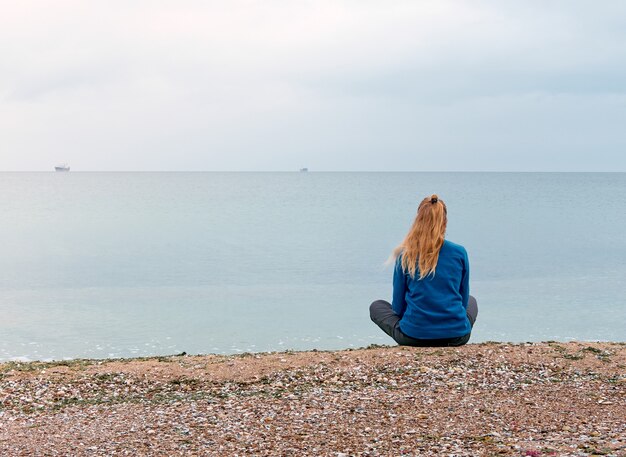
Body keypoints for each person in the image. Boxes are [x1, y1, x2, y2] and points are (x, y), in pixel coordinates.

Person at [370, 194, 478, 347]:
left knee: (377, 306)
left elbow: (398, 307)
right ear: (444, 222)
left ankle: (422, 328)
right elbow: (463, 298)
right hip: (457, 336)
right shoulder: (460, 252)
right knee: (472, 301)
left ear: (417, 221)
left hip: (414, 337)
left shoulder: (405, 255)